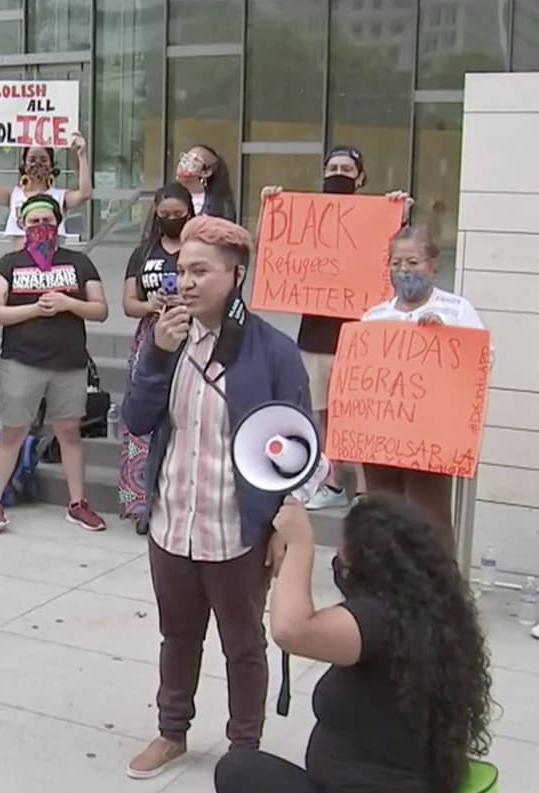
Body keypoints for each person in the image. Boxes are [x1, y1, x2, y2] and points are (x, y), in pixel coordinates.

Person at [119, 216, 310, 780]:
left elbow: (295, 445)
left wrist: (283, 518)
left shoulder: (273, 351)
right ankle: (171, 731)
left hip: (238, 527)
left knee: (243, 644)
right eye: (182, 270)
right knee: (177, 635)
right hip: (172, 520)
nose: (187, 282)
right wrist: (155, 355)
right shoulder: (165, 339)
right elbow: (136, 418)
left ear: (236, 274)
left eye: (201, 270)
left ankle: (243, 747)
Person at [214, 494, 492, 793]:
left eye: (342, 562)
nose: (338, 568)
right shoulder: (425, 613)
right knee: (242, 769)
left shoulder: (379, 621)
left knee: (237, 770)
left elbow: (291, 630)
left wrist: (299, 544)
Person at [261, 146, 410, 511]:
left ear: (360, 177)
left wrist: (399, 214)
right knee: (321, 411)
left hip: (358, 336)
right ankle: (329, 480)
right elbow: (273, 250)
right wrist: (272, 208)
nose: (338, 173)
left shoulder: (378, 219)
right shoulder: (305, 218)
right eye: (332, 167)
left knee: (355, 412)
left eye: (347, 168)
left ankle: (362, 488)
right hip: (313, 337)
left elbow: (399, 256)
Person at [0, 195, 108, 534]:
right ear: (23, 225)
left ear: (58, 224)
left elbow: (100, 309)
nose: (41, 227)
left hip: (69, 363)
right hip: (22, 362)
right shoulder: (8, 264)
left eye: (47, 222)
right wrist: (35, 309)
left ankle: (77, 503)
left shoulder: (79, 263)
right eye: (34, 222)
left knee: (69, 432)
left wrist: (68, 302)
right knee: (13, 433)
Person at [356, 227, 487, 554]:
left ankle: (437, 591)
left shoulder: (457, 310)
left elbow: (481, 361)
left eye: (412, 261)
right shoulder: (375, 317)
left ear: (432, 266)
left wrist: (446, 338)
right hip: (382, 437)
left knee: (429, 516)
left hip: (430, 439)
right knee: (384, 512)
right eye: (396, 262)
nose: (403, 270)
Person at [117, 183, 194, 528]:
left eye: (179, 214)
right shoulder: (143, 252)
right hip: (151, 335)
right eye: (165, 215)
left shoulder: (199, 251)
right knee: (141, 417)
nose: (172, 220)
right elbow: (128, 303)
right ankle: (138, 501)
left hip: (192, 335)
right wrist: (151, 305)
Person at [0, 130, 92, 248]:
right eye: (32, 159)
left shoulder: (59, 196)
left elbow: (84, 194)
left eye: (43, 160)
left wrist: (81, 155)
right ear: (24, 165)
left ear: (52, 165)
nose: (38, 164)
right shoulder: (14, 195)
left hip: (52, 263)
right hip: (21, 263)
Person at [174, 145, 237, 221]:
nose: (184, 163)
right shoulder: (168, 195)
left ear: (206, 172)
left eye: (194, 159)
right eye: (185, 157)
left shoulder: (219, 205)